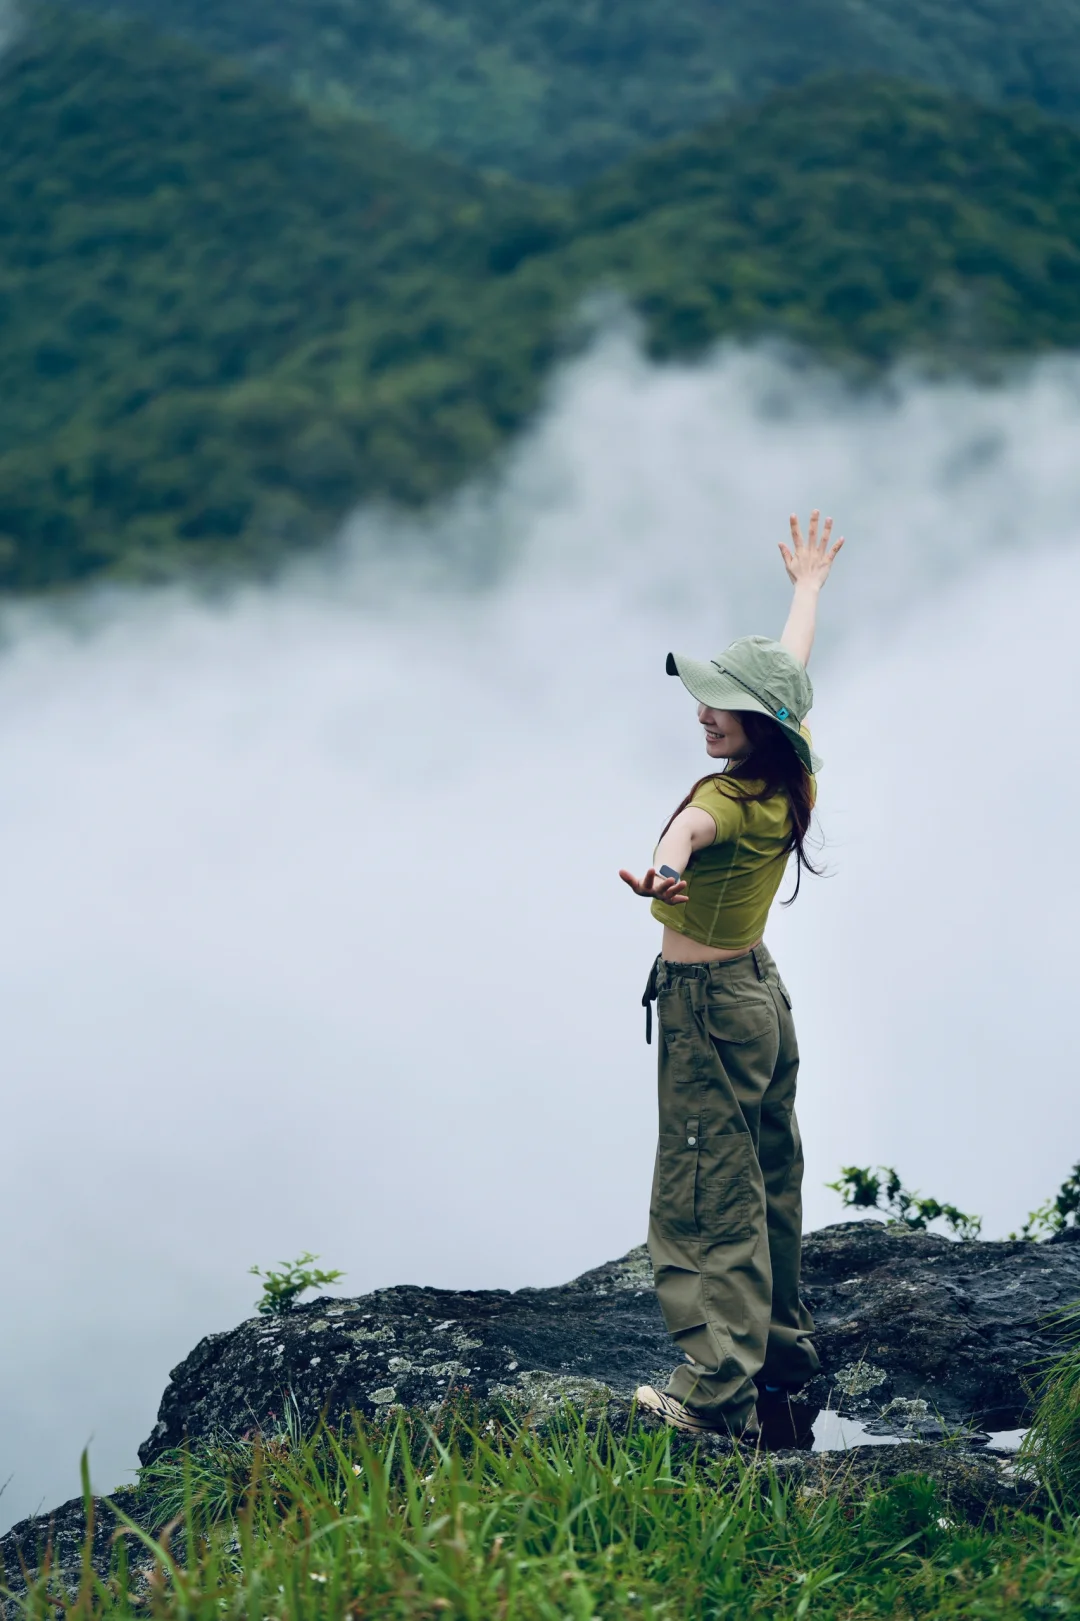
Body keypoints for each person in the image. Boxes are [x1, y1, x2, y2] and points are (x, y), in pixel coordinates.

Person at [619, 510, 844, 1442]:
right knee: (767, 1174)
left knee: (706, 1191)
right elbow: (788, 673)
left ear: (758, 719)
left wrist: (665, 865)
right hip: (759, 997)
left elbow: (688, 833)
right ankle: (782, 1362)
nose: (702, 710)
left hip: (709, 1009)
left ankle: (714, 1389)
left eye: (717, 701)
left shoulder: (724, 799)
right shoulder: (790, 772)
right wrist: (807, 590)